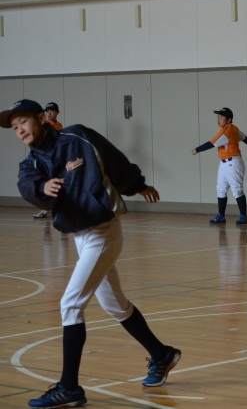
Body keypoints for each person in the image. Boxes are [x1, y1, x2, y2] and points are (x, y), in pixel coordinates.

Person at [0, 99, 181, 408]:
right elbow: (27, 185)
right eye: (15, 127)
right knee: (115, 305)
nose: (20, 130)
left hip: (103, 232)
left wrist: (137, 185)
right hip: (80, 237)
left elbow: (113, 159)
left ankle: (70, 388)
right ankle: (162, 354)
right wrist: (42, 188)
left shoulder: (77, 137)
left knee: (71, 304)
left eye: (24, 122)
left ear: (42, 118)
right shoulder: (32, 164)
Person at [192, 107, 247, 225]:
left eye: (221, 117)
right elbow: (243, 137)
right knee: (221, 189)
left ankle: (243, 216)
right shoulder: (233, 128)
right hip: (224, 163)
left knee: (237, 189)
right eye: (218, 117)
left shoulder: (226, 131)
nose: (219, 119)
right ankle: (221, 216)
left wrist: (197, 149)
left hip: (233, 163)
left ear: (229, 119)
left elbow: (212, 143)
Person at [33, 102, 63, 219]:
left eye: (52, 111)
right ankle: (45, 209)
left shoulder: (58, 126)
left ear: (57, 112)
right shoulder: (44, 124)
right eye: (47, 111)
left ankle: (57, 209)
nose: (49, 113)